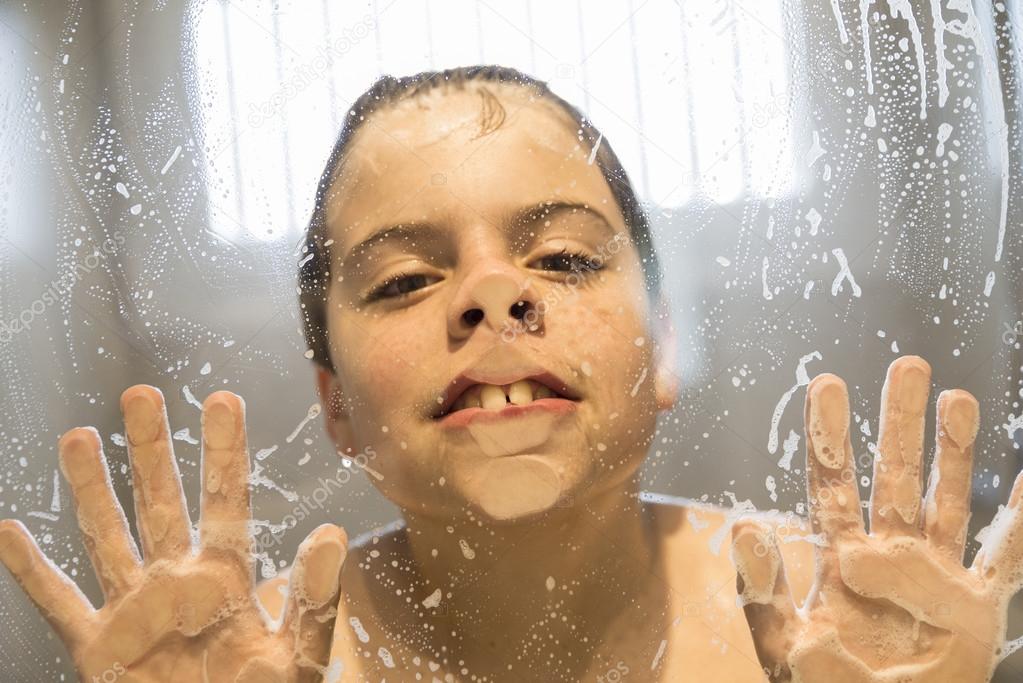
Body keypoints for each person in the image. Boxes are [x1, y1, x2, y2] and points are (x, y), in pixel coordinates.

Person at [1, 65, 1021, 682]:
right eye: (404, 278)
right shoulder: (254, 663)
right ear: (336, 410)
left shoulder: (848, 628)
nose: (493, 294)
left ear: (660, 347)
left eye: (566, 258)